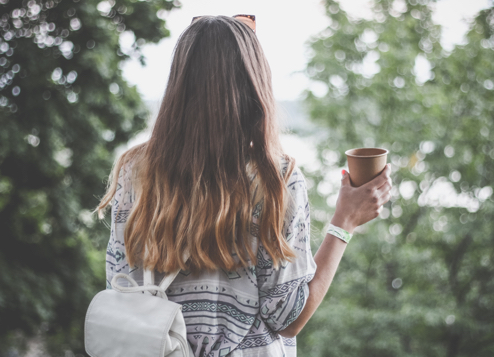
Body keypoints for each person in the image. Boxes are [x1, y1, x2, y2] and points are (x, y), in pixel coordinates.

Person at [95, 15, 391, 357]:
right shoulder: (274, 179)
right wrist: (344, 222)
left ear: (178, 83)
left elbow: (121, 290)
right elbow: (287, 318)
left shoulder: (136, 171)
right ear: (254, 85)